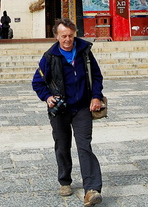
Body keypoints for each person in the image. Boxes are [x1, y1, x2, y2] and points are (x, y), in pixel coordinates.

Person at [32, 18, 104, 206]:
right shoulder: (49, 57)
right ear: (56, 36)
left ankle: (92, 189)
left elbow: (96, 76)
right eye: (63, 36)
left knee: (84, 146)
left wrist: (96, 96)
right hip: (60, 109)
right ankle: (65, 181)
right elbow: (37, 82)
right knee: (62, 146)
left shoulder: (84, 52)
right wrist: (47, 97)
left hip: (82, 107)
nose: (68, 39)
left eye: (71, 35)